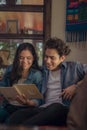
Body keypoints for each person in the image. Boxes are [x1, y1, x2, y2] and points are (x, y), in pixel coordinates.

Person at [8, 37, 87, 126]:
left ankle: (26, 127)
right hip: (43, 108)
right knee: (17, 116)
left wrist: (76, 86)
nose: (48, 61)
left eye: (52, 58)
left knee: (55, 107)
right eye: (46, 57)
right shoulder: (42, 71)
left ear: (62, 58)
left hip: (62, 109)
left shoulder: (74, 67)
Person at [0, 43, 42, 123]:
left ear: (33, 59)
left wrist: (28, 102)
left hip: (25, 109)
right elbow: (2, 86)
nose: (25, 61)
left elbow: (39, 100)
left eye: (28, 58)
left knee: (9, 122)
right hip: (8, 106)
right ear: (17, 58)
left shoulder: (37, 75)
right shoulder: (10, 69)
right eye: (21, 58)